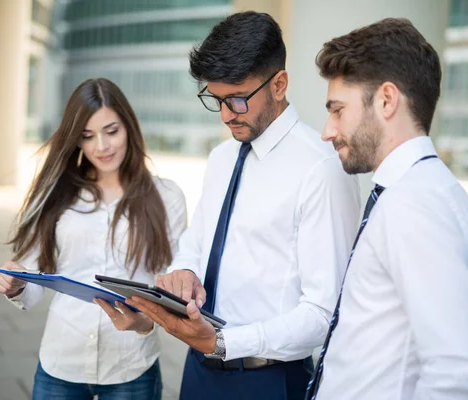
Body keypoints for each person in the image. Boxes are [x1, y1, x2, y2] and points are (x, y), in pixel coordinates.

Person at [116, 11, 360, 400]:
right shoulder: (220, 158)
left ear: (279, 84)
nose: (226, 115)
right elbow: (197, 241)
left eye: (238, 100)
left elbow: (324, 313)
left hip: (268, 380)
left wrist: (224, 341)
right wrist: (185, 271)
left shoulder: (322, 169)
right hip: (198, 372)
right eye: (217, 100)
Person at [306, 18, 468, 400]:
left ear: (387, 100)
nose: (327, 131)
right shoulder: (419, 191)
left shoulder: (414, 204)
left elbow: (460, 369)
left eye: (337, 110)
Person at [0, 78, 187, 400]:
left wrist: (144, 323)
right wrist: (16, 283)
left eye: (111, 131)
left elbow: (173, 285)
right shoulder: (57, 195)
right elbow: (33, 276)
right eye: (87, 136)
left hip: (132, 364)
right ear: (76, 141)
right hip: (62, 360)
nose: (101, 146)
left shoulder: (167, 197)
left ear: (129, 128)